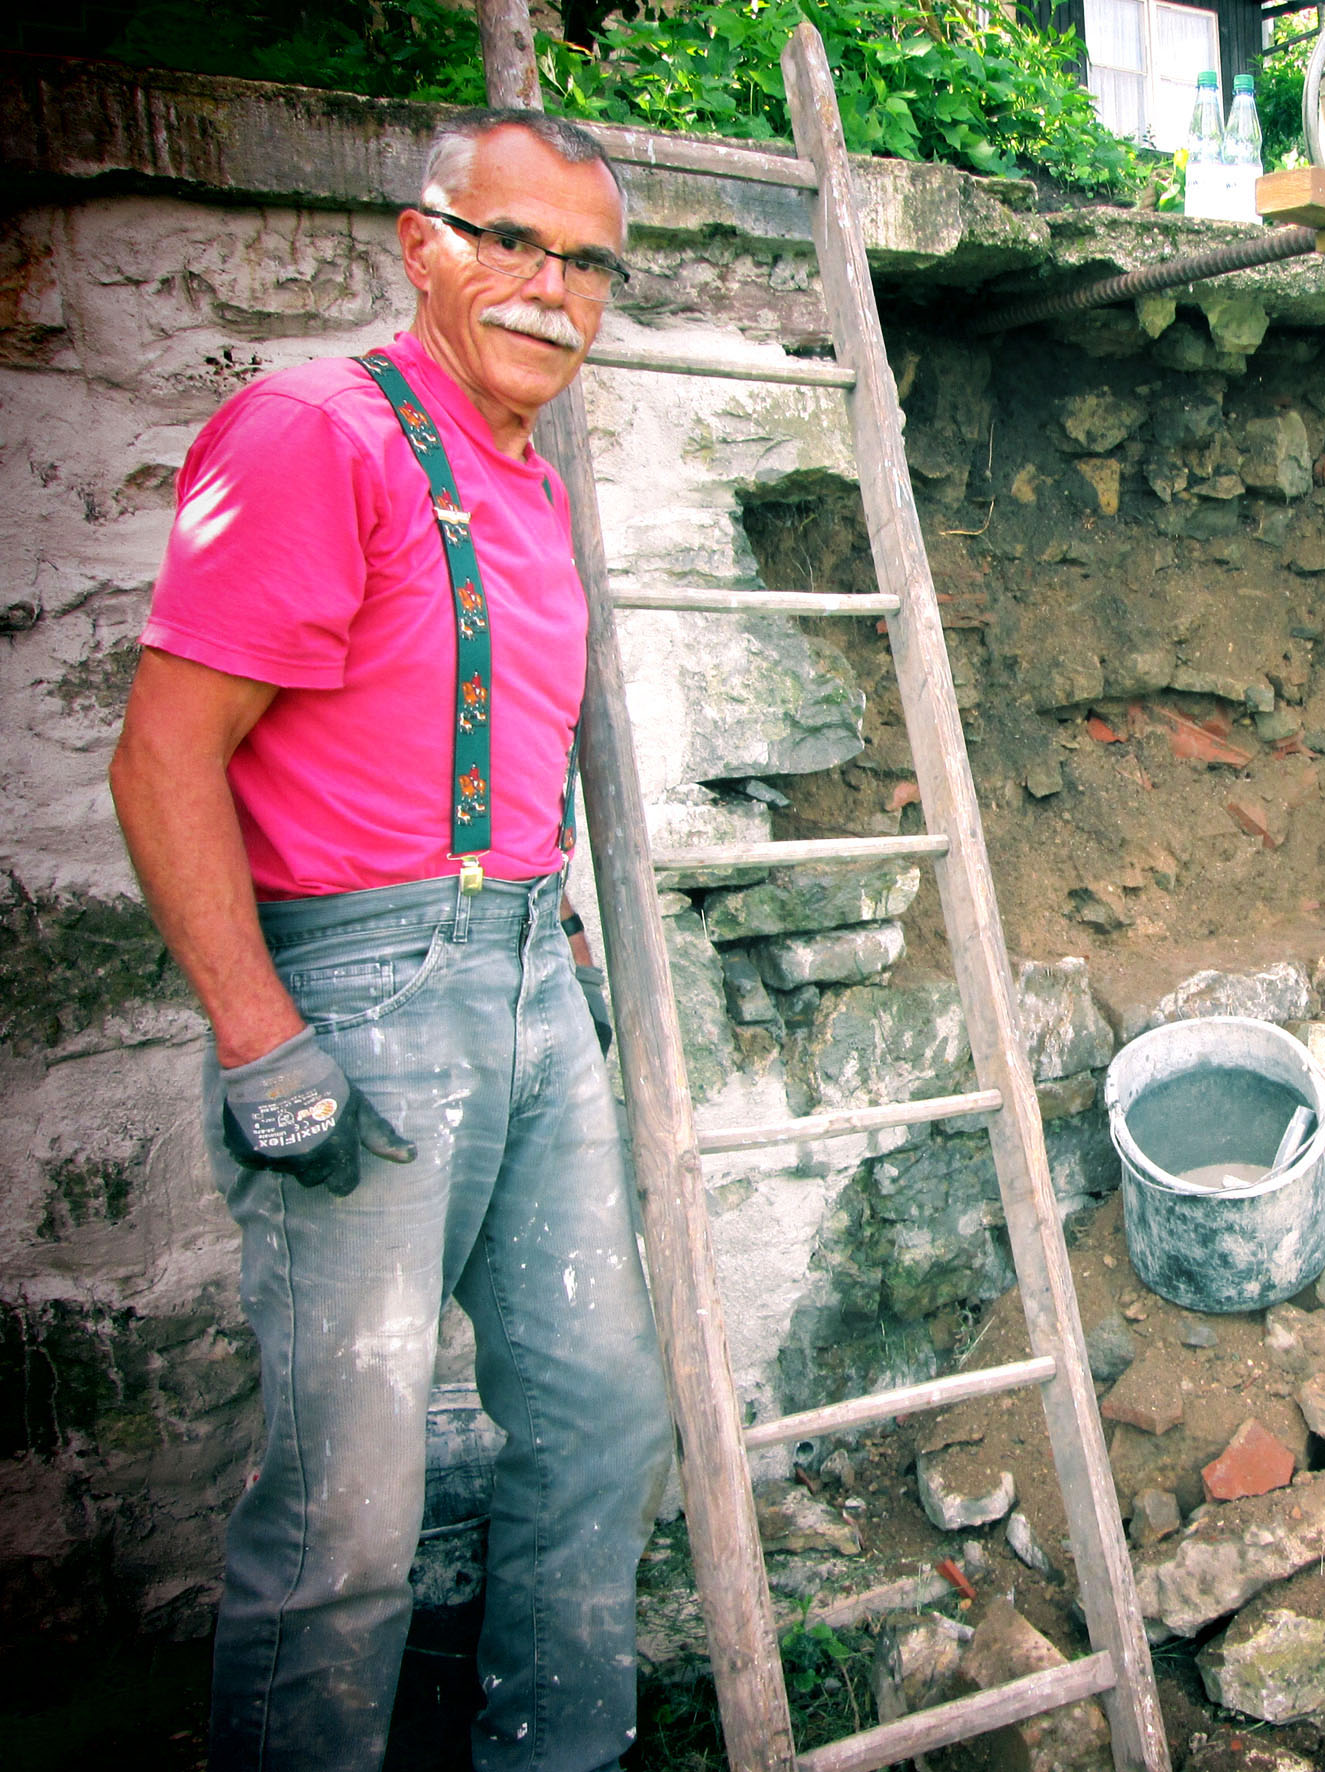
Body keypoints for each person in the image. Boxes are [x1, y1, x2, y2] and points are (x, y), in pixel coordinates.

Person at [110, 110, 673, 1768]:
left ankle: (555, 1750)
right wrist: (260, 1041)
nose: (546, 287)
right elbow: (159, 757)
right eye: (508, 240)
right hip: (357, 991)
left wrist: (547, 949)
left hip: (525, 978)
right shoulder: (313, 432)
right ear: (419, 242)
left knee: (595, 1411)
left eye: (582, 261)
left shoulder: (521, 475)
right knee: (348, 1506)